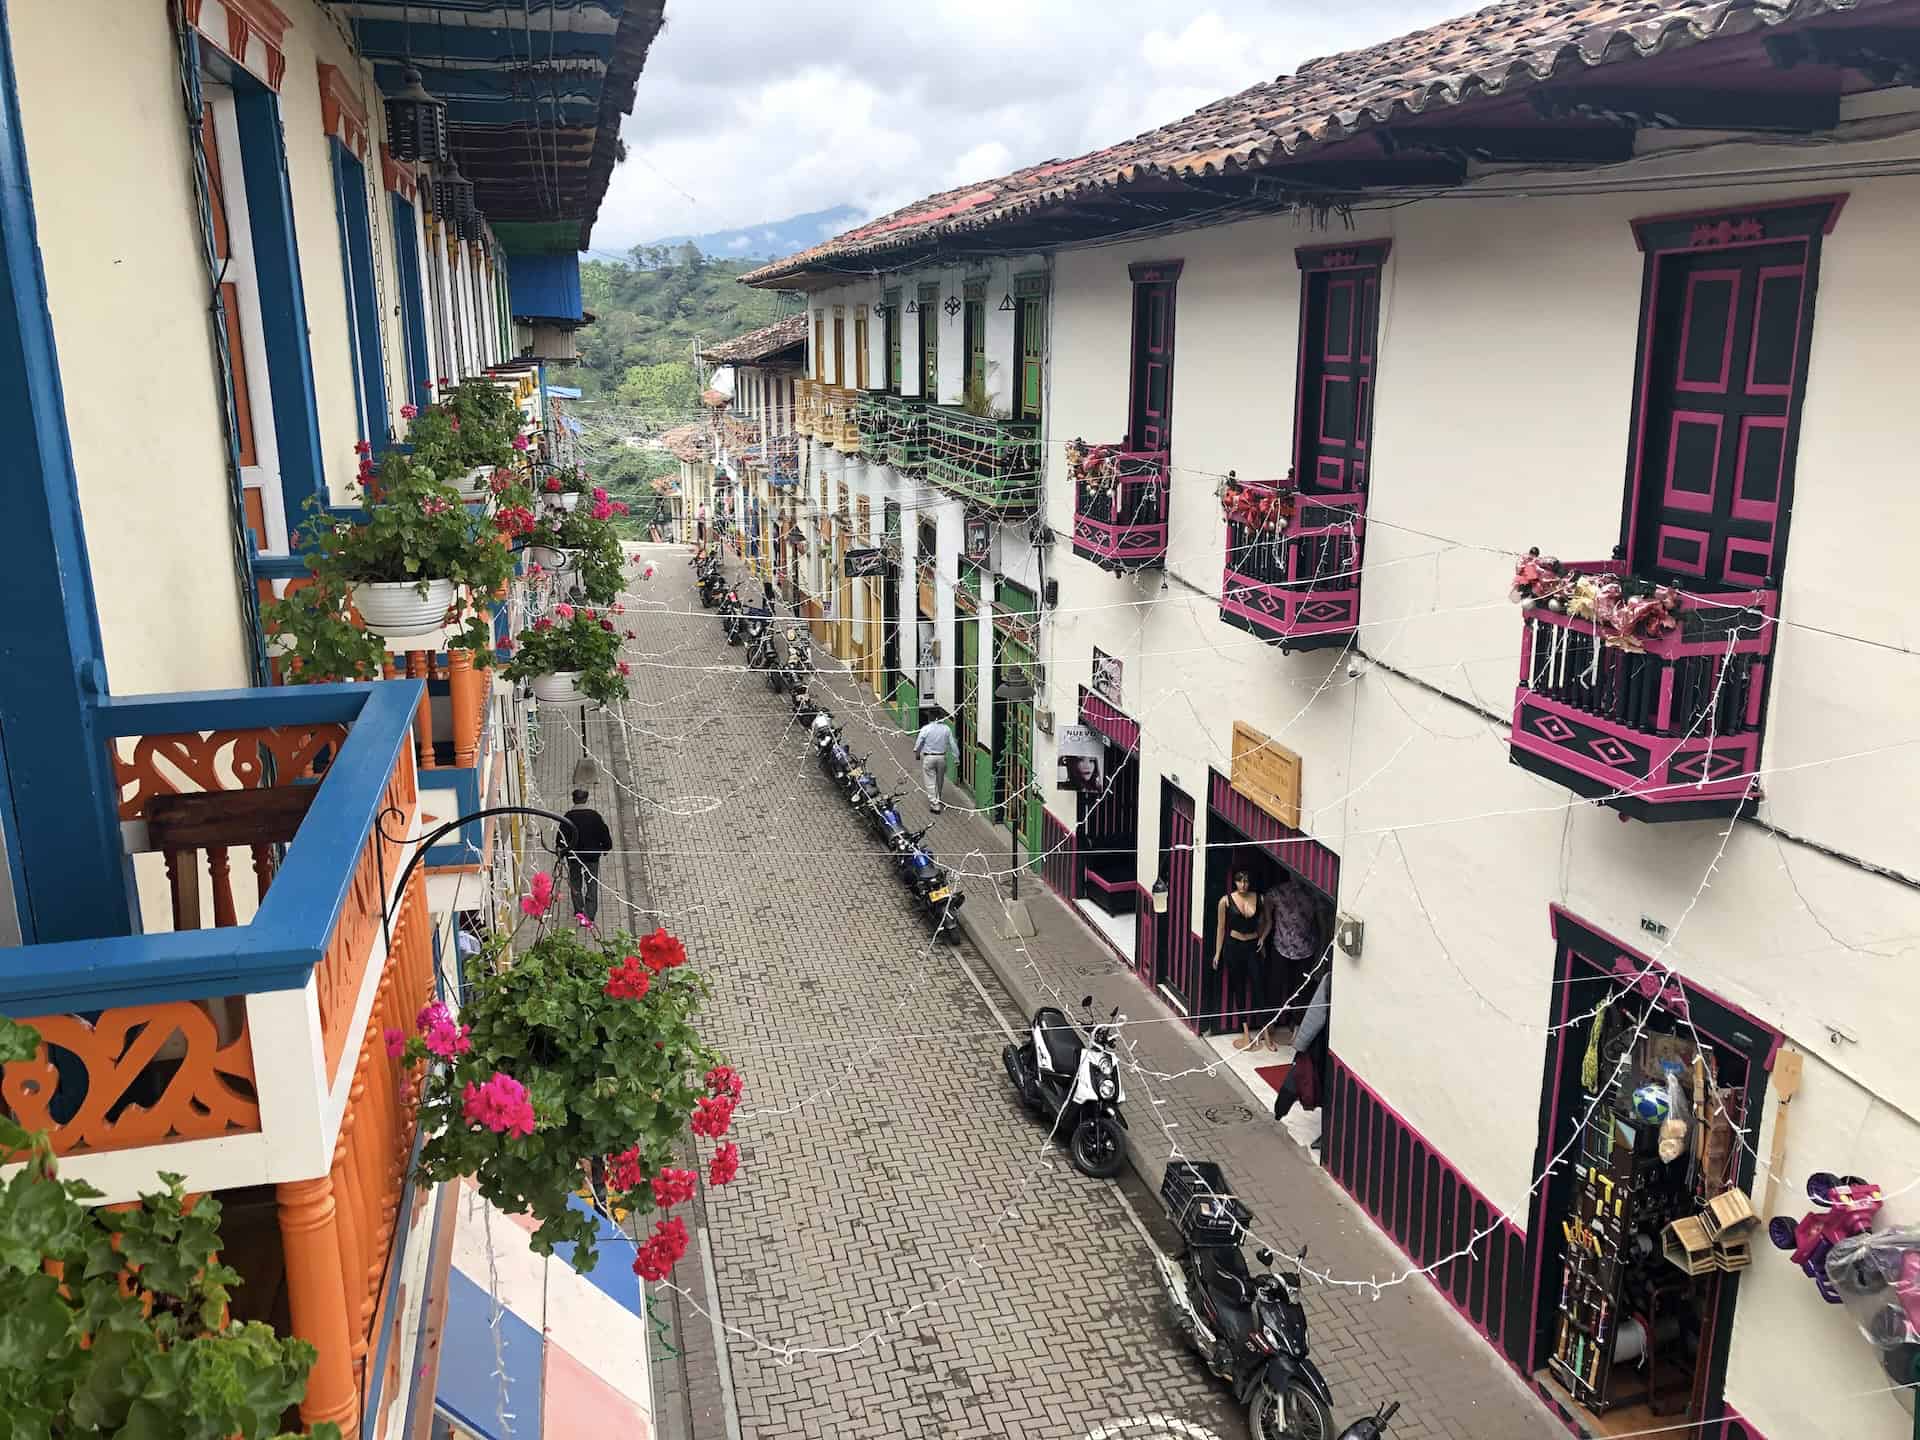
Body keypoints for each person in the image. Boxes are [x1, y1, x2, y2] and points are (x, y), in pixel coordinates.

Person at [1212, 869, 1269, 1051]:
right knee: (1239, 988)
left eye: (1246, 881)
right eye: (1240, 881)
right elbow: (1220, 928)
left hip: (1252, 945)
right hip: (1234, 945)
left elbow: (1267, 921)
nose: (1243, 885)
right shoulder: (1226, 901)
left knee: (1259, 987)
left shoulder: (1259, 899)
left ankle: (1265, 1030)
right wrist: (1217, 953)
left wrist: (1263, 938)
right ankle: (1245, 1030)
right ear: (1235, 882)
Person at [1261, 870, 1320, 1044]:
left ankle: (1273, 1026)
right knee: (1299, 990)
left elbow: (1266, 916)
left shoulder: (1277, 892)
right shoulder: (1313, 895)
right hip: (1299, 948)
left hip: (1292, 947)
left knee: (1279, 989)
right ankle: (1290, 1027)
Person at [1273, 957, 1331, 1123]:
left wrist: (1301, 1046)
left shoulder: (1329, 980)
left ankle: (1279, 1111)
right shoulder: (1330, 981)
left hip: (1320, 1044)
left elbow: (1314, 1017)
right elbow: (1315, 1016)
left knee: (1300, 1074)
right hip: (1324, 1043)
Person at [556, 788, 613, 923]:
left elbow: (560, 838)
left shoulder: (568, 817)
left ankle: (579, 910)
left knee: (575, 882)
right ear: (586, 800)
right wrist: (606, 848)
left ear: (573, 800)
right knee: (591, 883)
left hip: (574, 857)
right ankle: (590, 914)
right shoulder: (595, 816)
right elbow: (603, 832)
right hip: (592, 857)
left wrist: (561, 853)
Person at [914, 708, 957, 813]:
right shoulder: (946, 729)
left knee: (930, 781)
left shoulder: (926, 728)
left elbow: (919, 743)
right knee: (940, 780)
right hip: (942, 757)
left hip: (929, 757)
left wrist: (917, 753)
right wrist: (956, 757)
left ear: (931, 717)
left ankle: (935, 804)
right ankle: (938, 798)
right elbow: (953, 744)